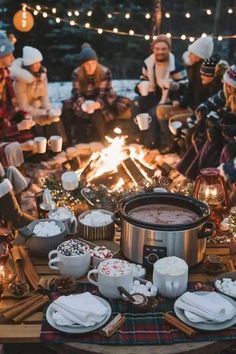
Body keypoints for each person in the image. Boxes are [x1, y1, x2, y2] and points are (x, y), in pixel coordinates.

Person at [61, 43, 131, 145]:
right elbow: (77, 93)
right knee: (74, 113)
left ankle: (101, 140)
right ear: (82, 65)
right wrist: (84, 105)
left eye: (93, 63)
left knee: (96, 113)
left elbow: (105, 93)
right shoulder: (76, 73)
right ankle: (75, 142)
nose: (90, 67)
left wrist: (97, 104)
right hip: (82, 99)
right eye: (87, 65)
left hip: (101, 98)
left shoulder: (104, 72)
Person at [155, 36, 214, 153]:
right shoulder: (192, 69)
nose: (188, 55)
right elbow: (188, 92)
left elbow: (199, 98)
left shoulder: (203, 73)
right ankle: (171, 143)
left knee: (173, 120)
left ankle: (177, 147)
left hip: (195, 112)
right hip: (188, 107)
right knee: (160, 110)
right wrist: (180, 102)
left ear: (198, 56)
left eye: (191, 53)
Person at [177, 65, 236, 180]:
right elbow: (207, 105)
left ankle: (204, 178)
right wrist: (204, 115)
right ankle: (193, 176)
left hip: (231, 136)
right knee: (204, 136)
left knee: (215, 144)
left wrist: (229, 128)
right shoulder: (225, 94)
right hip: (226, 130)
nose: (226, 86)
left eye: (229, 85)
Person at [133, 34, 188, 151]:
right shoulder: (148, 63)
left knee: (153, 112)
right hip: (153, 95)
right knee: (135, 103)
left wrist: (174, 86)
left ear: (169, 50)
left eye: (164, 49)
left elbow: (185, 86)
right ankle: (135, 137)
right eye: (157, 49)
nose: (160, 52)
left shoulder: (176, 66)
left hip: (170, 99)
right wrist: (141, 86)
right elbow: (143, 79)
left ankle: (152, 144)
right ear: (153, 49)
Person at [10, 46, 66, 143]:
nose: (37, 65)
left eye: (38, 62)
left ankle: (60, 147)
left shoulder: (42, 75)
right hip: (22, 113)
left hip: (37, 108)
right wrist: (44, 113)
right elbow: (23, 107)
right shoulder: (19, 81)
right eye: (34, 63)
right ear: (28, 65)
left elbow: (44, 97)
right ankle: (40, 151)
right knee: (35, 123)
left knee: (55, 119)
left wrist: (49, 110)